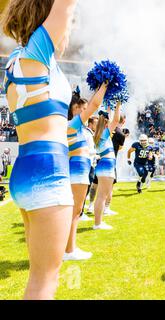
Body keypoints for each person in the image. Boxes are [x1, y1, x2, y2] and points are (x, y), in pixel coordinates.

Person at [2, 0, 78, 300]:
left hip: (25, 169)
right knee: (45, 282)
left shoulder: (16, 60)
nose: (70, 27)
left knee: (40, 277)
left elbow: (49, 118)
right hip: (48, 169)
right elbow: (67, 4)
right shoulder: (38, 51)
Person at [64, 85, 107, 261]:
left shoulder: (77, 127)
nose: (83, 111)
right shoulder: (73, 124)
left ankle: (68, 248)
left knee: (75, 210)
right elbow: (95, 104)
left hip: (78, 166)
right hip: (78, 167)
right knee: (75, 211)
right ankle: (69, 250)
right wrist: (103, 85)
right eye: (79, 109)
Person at [93, 102, 122, 230]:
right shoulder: (104, 133)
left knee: (102, 196)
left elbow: (111, 119)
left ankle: (99, 222)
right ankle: (97, 224)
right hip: (106, 165)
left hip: (104, 165)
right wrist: (119, 104)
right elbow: (116, 119)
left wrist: (109, 106)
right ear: (105, 123)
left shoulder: (100, 134)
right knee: (101, 196)